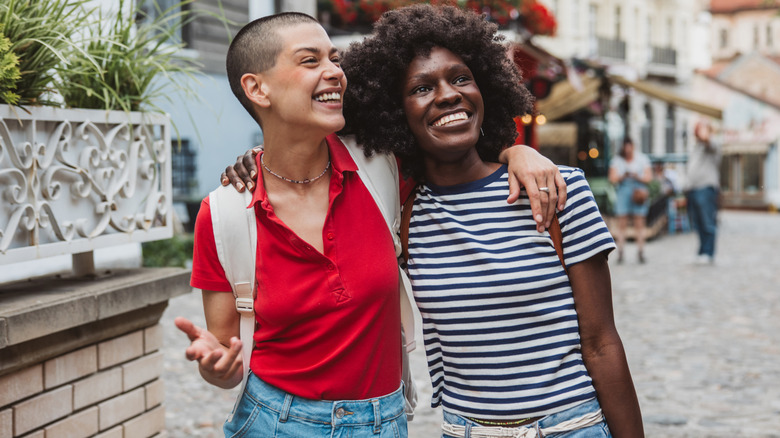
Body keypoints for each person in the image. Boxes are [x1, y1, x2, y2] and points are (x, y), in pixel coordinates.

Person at [225, 5, 643, 437]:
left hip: (572, 426)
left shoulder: (558, 190)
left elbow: (602, 343)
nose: (448, 95)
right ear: (394, 111)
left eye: (461, 78)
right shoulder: (402, 208)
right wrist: (257, 161)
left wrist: (518, 149)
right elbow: (307, 152)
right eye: (422, 88)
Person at [608, 137, 652, 264]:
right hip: (623, 192)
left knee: (640, 223)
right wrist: (623, 176)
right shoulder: (617, 160)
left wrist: (637, 176)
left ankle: (641, 251)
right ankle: (620, 251)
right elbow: (612, 178)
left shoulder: (642, 159)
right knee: (621, 223)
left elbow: (649, 178)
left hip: (639, 192)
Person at [684, 121, 721, 265]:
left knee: (707, 222)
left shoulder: (713, 144)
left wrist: (704, 132)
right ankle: (701, 251)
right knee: (698, 223)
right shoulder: (696, 147)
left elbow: (709, 142)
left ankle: (708, 252)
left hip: (706, 188)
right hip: (693, 188)